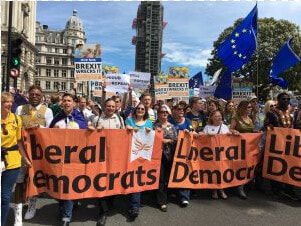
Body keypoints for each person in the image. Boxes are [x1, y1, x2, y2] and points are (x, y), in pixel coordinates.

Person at [15, 85, 54, 223]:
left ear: (42, 96)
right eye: (32, 94)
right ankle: (18, 210)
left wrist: (39, 128)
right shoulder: (20, 109)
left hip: (38, 151)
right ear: (28, 95)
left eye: (37, 95)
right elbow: (16, 128)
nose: (35, 96)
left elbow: (50, 132)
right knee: (19, 179)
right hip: (22, 151)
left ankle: (32, 203)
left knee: (34, 178)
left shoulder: (47, 111)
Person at [49, 93, 87, 225]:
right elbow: (49, 135)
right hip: (60, 158)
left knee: (69, 185)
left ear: (74, 103)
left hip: (75, 158)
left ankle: (66, 216)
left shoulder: (80, 117)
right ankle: (63, 206)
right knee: (61, 184)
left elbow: (86, 132)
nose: (66, 103)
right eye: (64, 100)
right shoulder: (57, 118)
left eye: (69, 101)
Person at [87, 98, 124, 226]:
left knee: (113, 181)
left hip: (115, 156)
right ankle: (103, 212)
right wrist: (92, 128)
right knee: (100, 182)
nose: (110, 108)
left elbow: (124, 135)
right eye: (108, 106)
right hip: (100, 156)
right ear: (104, 106)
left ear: (116, 108)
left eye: (113, 106)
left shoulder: (119, 120)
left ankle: (110, 201)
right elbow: (89, 133)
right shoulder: (97, 119)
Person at [1, 92, 31, 226]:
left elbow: (19, 142)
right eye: (5, 101)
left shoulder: (16, 119)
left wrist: (25, 159)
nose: (9, 104)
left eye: (10, 102)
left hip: (12, 162)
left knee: (5, 195)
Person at [264, 93, 299, 201]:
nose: (287, 101)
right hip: (277, 145)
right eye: (284, 99)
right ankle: (276, 189)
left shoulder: (291, 113)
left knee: (289, 165)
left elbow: (293, 127)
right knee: (277, 165)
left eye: (288, 99)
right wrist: (269, 126)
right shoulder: (271, 112)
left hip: (289, 145)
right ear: (278, 100)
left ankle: (289, 189)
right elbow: (265, 125)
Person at [125, 103, 153, 220]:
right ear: (135, 110)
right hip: (129, 154)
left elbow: (154, 136)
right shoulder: (129, 120)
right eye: (139, 108)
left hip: (143, 156)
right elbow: (124, 132)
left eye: (143, 109)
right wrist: (128, 129)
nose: (140, 110)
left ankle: (135, 206)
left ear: (145, 111)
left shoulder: (149, 122)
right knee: (130, 178)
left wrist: (150, 131)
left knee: (137, 179)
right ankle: (132, 204)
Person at [202, 110, 233, 199]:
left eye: (220, 116)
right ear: (212, 117)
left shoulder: (224, 127)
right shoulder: (207, 127)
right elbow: (202, 140)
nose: (219, 118)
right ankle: (214, 190)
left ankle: (221, 189)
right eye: (217, 116)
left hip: (222, 154)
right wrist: (202, 135)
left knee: (222, 171)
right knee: (213, 172)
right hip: (211, 154)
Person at [153, 105, 178, 212]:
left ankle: (166, 195)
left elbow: (176, 140)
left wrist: (167, 141)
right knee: (160, 179)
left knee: (167, 178)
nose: (164, 114)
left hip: (170, 155)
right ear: (158, 114)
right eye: (162, 112)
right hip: (157, 156)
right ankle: (162, 201)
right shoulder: (154, 126)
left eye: (166, 112)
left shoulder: (171, 126)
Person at [169, 104, 193, 207]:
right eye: (179, 109)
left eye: (183, 109)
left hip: (183, 151)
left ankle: (184, 197)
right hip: (171, 149)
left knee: (183, 171)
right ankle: (172, 191)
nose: (181, 111)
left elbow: (193, 133)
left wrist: (189, 132)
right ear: (173, 110)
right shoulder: (169, 120)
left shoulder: (187, 121)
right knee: (171, 172)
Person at [230, 100, 254, 199]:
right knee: (239, 166)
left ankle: (244, 184)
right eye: (248, 107)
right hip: (238, 147)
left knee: (247, 165)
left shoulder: (250, 119)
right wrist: (234, 131)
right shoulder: (236, 118)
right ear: (243, 108)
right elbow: (230, 129)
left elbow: (251, 131)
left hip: (249, 147)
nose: (250, 109)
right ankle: (239, 187)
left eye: (250, 107)